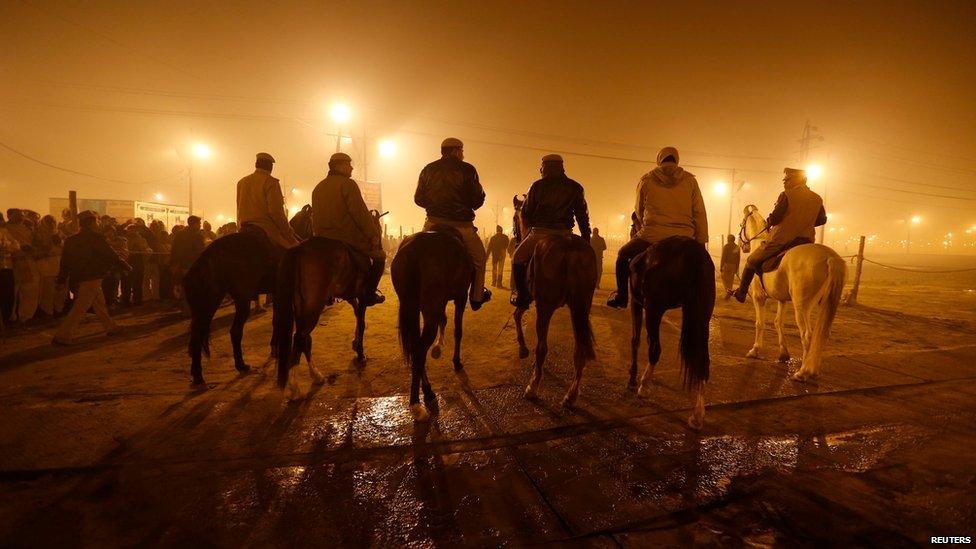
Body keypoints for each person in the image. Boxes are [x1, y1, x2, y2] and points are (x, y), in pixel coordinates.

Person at [607, 146, 708, 308]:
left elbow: (639, 210)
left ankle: (622, 296)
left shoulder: (647, 180)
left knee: (622, 255)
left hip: (652, 236)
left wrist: (644, 225)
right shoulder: (690, 181)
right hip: (685, 236)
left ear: (659, 160)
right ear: (676, 159)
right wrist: (701, 240)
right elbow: (699, 212)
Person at [414, 137, 491, 310]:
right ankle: (477, 296)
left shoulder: (428, 169)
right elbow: (477, 200)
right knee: (480, 259)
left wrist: (435, 206)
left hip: (432, 224)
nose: (463, 155)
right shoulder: (468, 169)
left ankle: (412, 290)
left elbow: (418, 199)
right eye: (462, 151)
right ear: (457, 151)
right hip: (461, 226)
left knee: (414, 252)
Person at [730, 167, 827, 302]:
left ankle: (741, 292)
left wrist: (769, 221)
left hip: (782, 240)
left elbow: (775, 218)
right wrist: (805, 222)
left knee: (751, 260)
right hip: (806, 241)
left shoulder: (786, 195)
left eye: (787, 180)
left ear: (797, 180)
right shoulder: (817, 198)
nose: (785, 183)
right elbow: (822, 219)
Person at [510, 154, 590, 307]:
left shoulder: (537, 186)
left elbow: (526, 213)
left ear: (544, 167)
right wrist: (586, 239)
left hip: (540, 233)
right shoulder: (575, 187)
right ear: (561, 167)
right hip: (566, 233)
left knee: (517, 258)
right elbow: (582, 216)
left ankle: (522, 296)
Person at [311, 152, 386, 305]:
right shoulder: (348, 185)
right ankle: (369, 293)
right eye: (349, 164)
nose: (351, 168)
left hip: (320, 238)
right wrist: (373, 235)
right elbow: (359, 214)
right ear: (339, 166)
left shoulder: (318, 187)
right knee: (380, 258)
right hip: (345, 238)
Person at [53, 211, 131, 345]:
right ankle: (63, 335)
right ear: (91, 223)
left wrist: (61, 279)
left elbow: (64, 262)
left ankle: (111, 327)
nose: (98, 224)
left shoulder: (71, 240)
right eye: (96, 222)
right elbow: (109, 254)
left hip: (79, 277)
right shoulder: (95, 238)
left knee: (98, 303)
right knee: (81, 306)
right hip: (92, 276)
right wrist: (125, 265)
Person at [236, 152, 299, 262]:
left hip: (244, 228)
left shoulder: (241, 182)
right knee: (293, 255)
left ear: (256, 164)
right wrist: (289, 234)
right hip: (266, 230)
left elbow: (238, 207)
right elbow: (276, 213)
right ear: (270, 166)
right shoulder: (270, 182)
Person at [5, 208, 39, 322]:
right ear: (9, 216)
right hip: (10, 264)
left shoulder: (27, 228)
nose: (21, 217)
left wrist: (31, 248)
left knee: (30, 290)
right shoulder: (4, 229)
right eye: (18, 215)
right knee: (11, 292)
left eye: (22, 215)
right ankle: (10, 317)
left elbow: (35, 244)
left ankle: (25, 316)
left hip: (28, 261)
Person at [170, 215, 206, 298]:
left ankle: (184, 302)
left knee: (183, 284)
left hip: (182, 264)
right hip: (193, 264)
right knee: (193, 285)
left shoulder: (180, 235)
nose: (200, 225)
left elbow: (174, 249)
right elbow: (200, 250)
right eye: (199, 223)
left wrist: (174, 263)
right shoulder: (196, 236)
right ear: (194, 224)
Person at [0, 212, 20, 323]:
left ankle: (5, 320)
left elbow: (15, 245)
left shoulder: (5, 232)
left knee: (7, 296)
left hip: (6, 267)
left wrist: (7, 248)